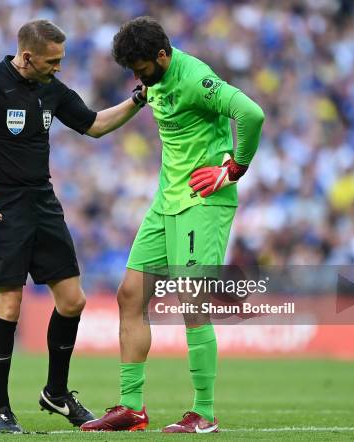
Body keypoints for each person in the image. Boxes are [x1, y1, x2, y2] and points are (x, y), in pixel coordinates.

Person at [0, 19, 148, 433]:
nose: (58, 67)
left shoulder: (52, 89)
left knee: (73, 301)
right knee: (7, 307)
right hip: (2, 205)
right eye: (52, 60)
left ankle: (56, 393)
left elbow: (93, 124)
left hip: (42, 201)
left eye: (61, 60)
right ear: (26, 57)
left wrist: (136, 101)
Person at [81, 17, 264, 433]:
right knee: (130, 295)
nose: (137, 75)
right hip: (165, 203)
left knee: (191, 303)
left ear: (163, 56)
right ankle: (131, 408)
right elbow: (141, 94)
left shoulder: (196, 78)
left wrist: (235, 168)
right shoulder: (153, 79)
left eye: (142, 67)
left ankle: (205, 413)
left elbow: (251, 113)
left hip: (203, 201)